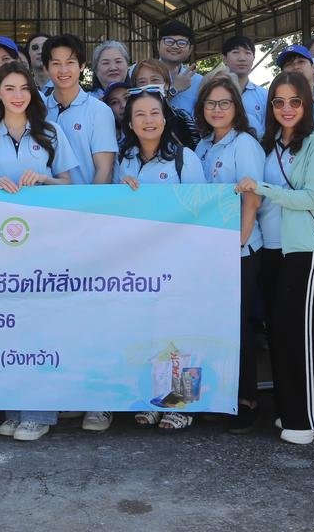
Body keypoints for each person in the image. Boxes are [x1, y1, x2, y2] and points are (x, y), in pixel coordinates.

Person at [0, 61, 74, 441]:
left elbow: (72, 185)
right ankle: (15, 410)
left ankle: (38, 413)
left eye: (24, 88)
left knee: (40, 326)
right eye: (9, 88)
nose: (18, 96)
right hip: (2, 247)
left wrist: (45, 178)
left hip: (45, 244)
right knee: (9, 328)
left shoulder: (50, 132)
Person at [236, 71, 314, 445]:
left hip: (302, 249)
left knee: (300, 336)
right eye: (279, 101)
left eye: (295, 101)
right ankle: (301, 414)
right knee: (279, 335)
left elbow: (311, 198)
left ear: (307, 103)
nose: (286, 108)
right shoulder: (270, 141)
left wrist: (261, 188)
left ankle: (305, 418)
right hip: (271, 249)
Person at [116, 85, 205, 432]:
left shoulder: (186, 159)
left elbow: (201, 211)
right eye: (139, 114)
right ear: (130, 123)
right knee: (151, 330)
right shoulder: (125, 161)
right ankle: (156, 399)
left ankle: (185, 402)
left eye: (154, 113)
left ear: (165, 117)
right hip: (140, 262)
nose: (148, 120)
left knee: (183, 330)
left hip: (181, 260)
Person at [192, 73, 266, 432]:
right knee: (215, 325)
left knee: (239, 326)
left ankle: (245, 398)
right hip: (209, 251)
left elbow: (253, 197)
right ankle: (218, 395)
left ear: (236, 108)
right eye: (210, 103)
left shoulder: (244, 144)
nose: (217, 109)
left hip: (241, 249)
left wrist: (239, 240)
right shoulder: (203, 147)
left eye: (224, 103)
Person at [43, 34, 117, 187]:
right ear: (46, 68)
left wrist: (88, 208)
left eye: (70, 62)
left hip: (84, 204)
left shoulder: (99, 111)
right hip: (43, 203)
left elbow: (104, 170)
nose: (63, 70)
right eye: (56, 63)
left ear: (82, 65)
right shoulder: (38, 110)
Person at [130, 58, 197, 149]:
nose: (149, 85)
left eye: (155, 80)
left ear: (166, 85)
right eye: (142, 82)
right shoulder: (129, 120)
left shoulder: (183, 118)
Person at [218, 35, 267, 128]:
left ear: (253, 58)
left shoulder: (264, 95)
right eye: (235, 52)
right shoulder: (213, 93)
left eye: (247, 53)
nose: (242, 58)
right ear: (224, 59)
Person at [276, 44, 314, 125]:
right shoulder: (277, 105)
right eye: (288, 64)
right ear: (282, 73)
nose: (295, 67)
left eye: (301, 61)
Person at [156, 20, 197, 95]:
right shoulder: (138, 73)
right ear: (158, 45)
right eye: (169, 41)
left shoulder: (199, 81)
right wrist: (174, 89)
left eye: (181, 43)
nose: (174, 46)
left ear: (190, 49)